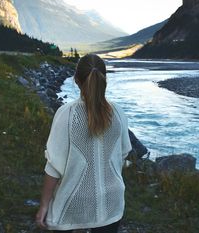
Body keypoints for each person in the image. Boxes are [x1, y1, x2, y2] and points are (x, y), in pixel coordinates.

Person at [36, 54, 132, 232]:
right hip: (112, 201)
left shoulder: (66, 114)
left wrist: (44, 205)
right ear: (105, 79)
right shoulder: (118, 113)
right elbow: (124, 154)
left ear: (76, 80)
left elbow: (54, 167)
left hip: (74, 203)